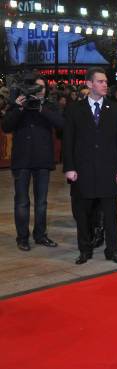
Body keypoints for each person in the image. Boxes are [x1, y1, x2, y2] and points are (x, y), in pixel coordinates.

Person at [62, 67, 117, 265]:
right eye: (100, 81)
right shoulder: (74, 109)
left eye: (106, 82)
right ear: (89, 84)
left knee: (110, 215)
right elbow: (68, 142)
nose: (104, 85)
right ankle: (85, 250)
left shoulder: (115, 109)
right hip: (82, 172)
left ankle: (113, 250)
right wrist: (70, 167)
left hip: (109, 172)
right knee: (82, 214)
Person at [1, 74, 64, 251]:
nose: (39, 91)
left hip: (43, 159)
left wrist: (41, 109)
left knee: (42, 201)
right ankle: (22, 238)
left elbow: (62, 124)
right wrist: (19, 108)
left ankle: (40, 235)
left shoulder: (50, 105)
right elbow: (6, 126)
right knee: (21, 201)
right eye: (36, 88)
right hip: (21, 160)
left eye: (42, 88)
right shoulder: (18, 104)